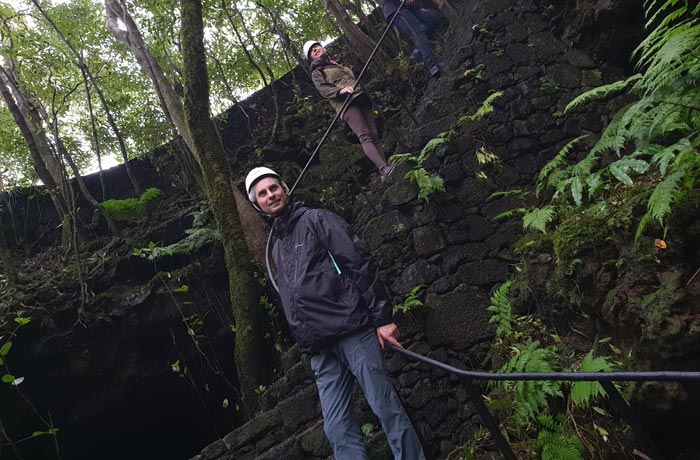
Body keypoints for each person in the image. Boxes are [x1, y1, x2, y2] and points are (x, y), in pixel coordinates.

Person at [245, 166, 427, 460]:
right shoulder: (277, 249)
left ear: (285, 189)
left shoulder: (316, 220)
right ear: (258, 204)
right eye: (263, 193)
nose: (271, 195)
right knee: (336, 428)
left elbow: (359, 262)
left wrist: (383, 319)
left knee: (385, 407)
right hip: (320, 348)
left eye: (273, 188)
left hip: (352, 330)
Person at [303, 40, 395, 183]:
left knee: (374, 133)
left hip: (360, 96)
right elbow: (323, 89)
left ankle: (385, 170)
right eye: (311, 51)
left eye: (316, 47)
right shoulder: (317, 72)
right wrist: (340, 91)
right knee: (364, 136)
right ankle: (383, 168)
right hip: (346, 104)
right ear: (310, 59)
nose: (315, 50)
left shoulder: (335, 63)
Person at [380, 0, 442, 77]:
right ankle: (432, 65)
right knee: (419, 30)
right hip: (396, 11)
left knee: (431, 16)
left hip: (409, 8)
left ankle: (418, 51)